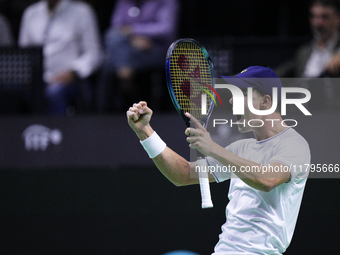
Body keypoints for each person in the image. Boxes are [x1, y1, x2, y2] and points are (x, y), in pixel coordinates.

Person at [126, 66, 311, 255]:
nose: (231, 100)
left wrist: (213, 148)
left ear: (266, 101)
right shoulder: (240, 149)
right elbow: (182, 174)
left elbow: (267, 180)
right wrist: (145, 131)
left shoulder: (294, 145)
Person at [19, 0, 103, 115]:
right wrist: (28, 77)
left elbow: (94, 54)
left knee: (54, 92)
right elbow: (24, 54)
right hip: (36, 81)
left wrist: (73, 72)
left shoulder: (82, 12)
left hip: (70, 80)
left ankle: (57, 131)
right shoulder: (30, 13)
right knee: (12, 93)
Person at [96, 0, 179, 113]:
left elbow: (166, 29)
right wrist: (132, 39)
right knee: (112, 41)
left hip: (156, 50)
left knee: (109, 62)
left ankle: (107, 111)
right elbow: (116, 27)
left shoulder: (166, 2)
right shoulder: (124, 2)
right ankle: (126, 75)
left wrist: (133, 31)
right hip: (128, 48)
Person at [275, 0, 340, 78]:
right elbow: (282, 71)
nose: (318, 23)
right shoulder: (305, 51)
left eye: (325, 17)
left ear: (337, 18)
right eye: (314, 17)